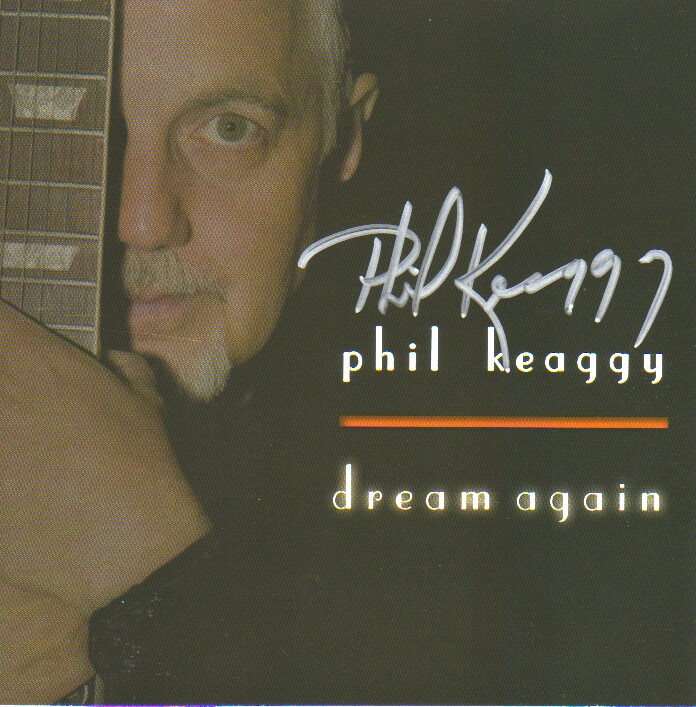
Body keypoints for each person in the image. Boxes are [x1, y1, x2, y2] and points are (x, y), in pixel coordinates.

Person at [0, 0, 379, 701]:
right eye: (48, 112)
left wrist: (151, 558)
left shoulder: (449, 560)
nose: (142, 221)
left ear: (344, 137)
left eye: (229, 129)